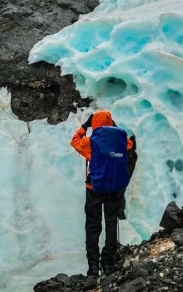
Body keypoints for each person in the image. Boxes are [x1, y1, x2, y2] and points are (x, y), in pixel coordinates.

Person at [70, 111, 136, 277]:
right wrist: (112, 128)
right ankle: (108, 262)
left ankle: (93, 267)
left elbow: (75, 142)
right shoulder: (121, 140)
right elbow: (128, 144)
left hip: (95, 189)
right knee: (111, 223)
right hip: (115, 189)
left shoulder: (91, 142)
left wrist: (84, 127)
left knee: (93, 226)